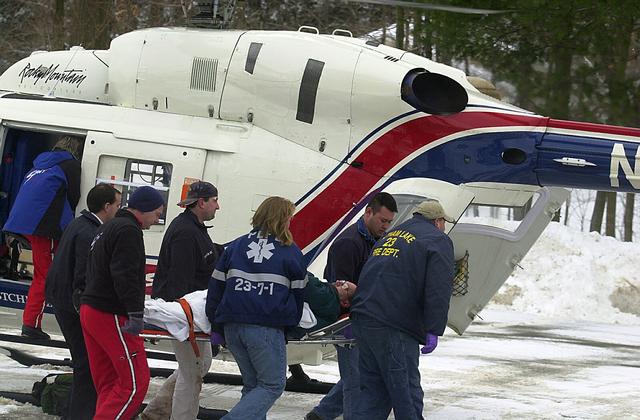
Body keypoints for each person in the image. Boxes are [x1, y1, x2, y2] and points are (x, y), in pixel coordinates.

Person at [350, 200, 455, 420]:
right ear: (438, 221)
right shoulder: (437, 239)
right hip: (394, 326)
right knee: (406, 394)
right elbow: (438, 288)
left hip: (364, 319)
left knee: (373, 394)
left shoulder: (391, 235)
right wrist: (433, 329)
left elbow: (371, 274)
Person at [205, 196, 307, 420]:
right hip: (266, 329)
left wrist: (216, 325)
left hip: (232, 326)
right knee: (272, 385)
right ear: (283, 218)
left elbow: (216, 288)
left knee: (253, 387)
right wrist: (290, 326)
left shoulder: (235, 247)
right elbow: (298, 295)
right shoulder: (290, 252)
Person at [306, 192, 397, 420]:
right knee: (355, 380)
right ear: (368, 213)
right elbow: (341, 291)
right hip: (347, 321)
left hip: (366, 318)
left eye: (389, 222)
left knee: (358, 376)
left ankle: (320, 415)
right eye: (382, 221)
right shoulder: (349, 243)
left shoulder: (374, 240)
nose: (386, 226)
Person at [80, 186, 165, 420]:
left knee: (109, 382)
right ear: (145, 209)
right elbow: (124, 274)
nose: (157, 220)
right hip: (111, 312)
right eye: (157, 213)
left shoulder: (107, 227)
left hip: (91, 308)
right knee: (134, 383)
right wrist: (135, 312)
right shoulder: (129, 230)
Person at [142, 181, 222, 420]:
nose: (218, 206)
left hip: (192, 313)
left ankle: (157, 411)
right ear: (201, 202)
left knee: (200, 365)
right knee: (192, 372)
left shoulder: (194, 228)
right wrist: (185, 321)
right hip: (186, 314)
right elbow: (180, 279)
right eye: (215, 200)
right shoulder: (186, 233)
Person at [44, 183, 121, 419]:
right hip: (72, 305)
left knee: (85, 362)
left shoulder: (78, 224)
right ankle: (81, 413)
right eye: (118, 205)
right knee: (87, 364)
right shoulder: (90, 233)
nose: (119, 209)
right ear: (106, 207)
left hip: (60, 298)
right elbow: (83, 274)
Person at [3, 135, 83, 339]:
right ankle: (31, 324)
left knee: (44, 273)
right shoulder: (70, 165)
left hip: (27, 222)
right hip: (46, 226)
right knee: (46, 276)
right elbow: (74, 197)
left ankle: (32, 322)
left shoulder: (40, 164)